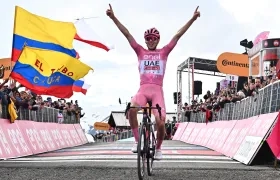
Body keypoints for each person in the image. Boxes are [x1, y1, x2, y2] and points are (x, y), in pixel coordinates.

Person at [106, 4, 200, 160]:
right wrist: (113, 17)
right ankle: (138, 141)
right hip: (142, 90)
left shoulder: (164, 52)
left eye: (153, 39)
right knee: (131, 110)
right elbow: (127, 34)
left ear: (158, 40)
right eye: (148, 39)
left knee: (161, 123)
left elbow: (177, 35)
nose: (150, 41)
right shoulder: (140, 51)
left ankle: (158, 149)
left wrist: (192, 18)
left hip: (157, 92)